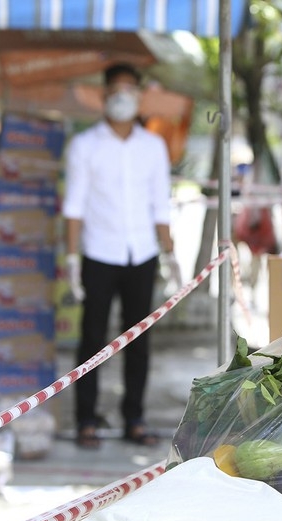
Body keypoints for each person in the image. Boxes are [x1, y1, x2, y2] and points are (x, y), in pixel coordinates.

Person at [62, 62, 174, 449]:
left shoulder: (153, 146)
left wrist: (170, 255)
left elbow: (161, 204)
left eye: (131, 89)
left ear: (140, 95)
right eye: (117, 89)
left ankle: (134, 419)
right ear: (104, 95)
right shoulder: (85, 145)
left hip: (141, 253)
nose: (123, 96)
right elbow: (73, 206)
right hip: (98, 253)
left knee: (138, 342)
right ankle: (86, 421)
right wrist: (72, 259)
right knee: (91, 339)